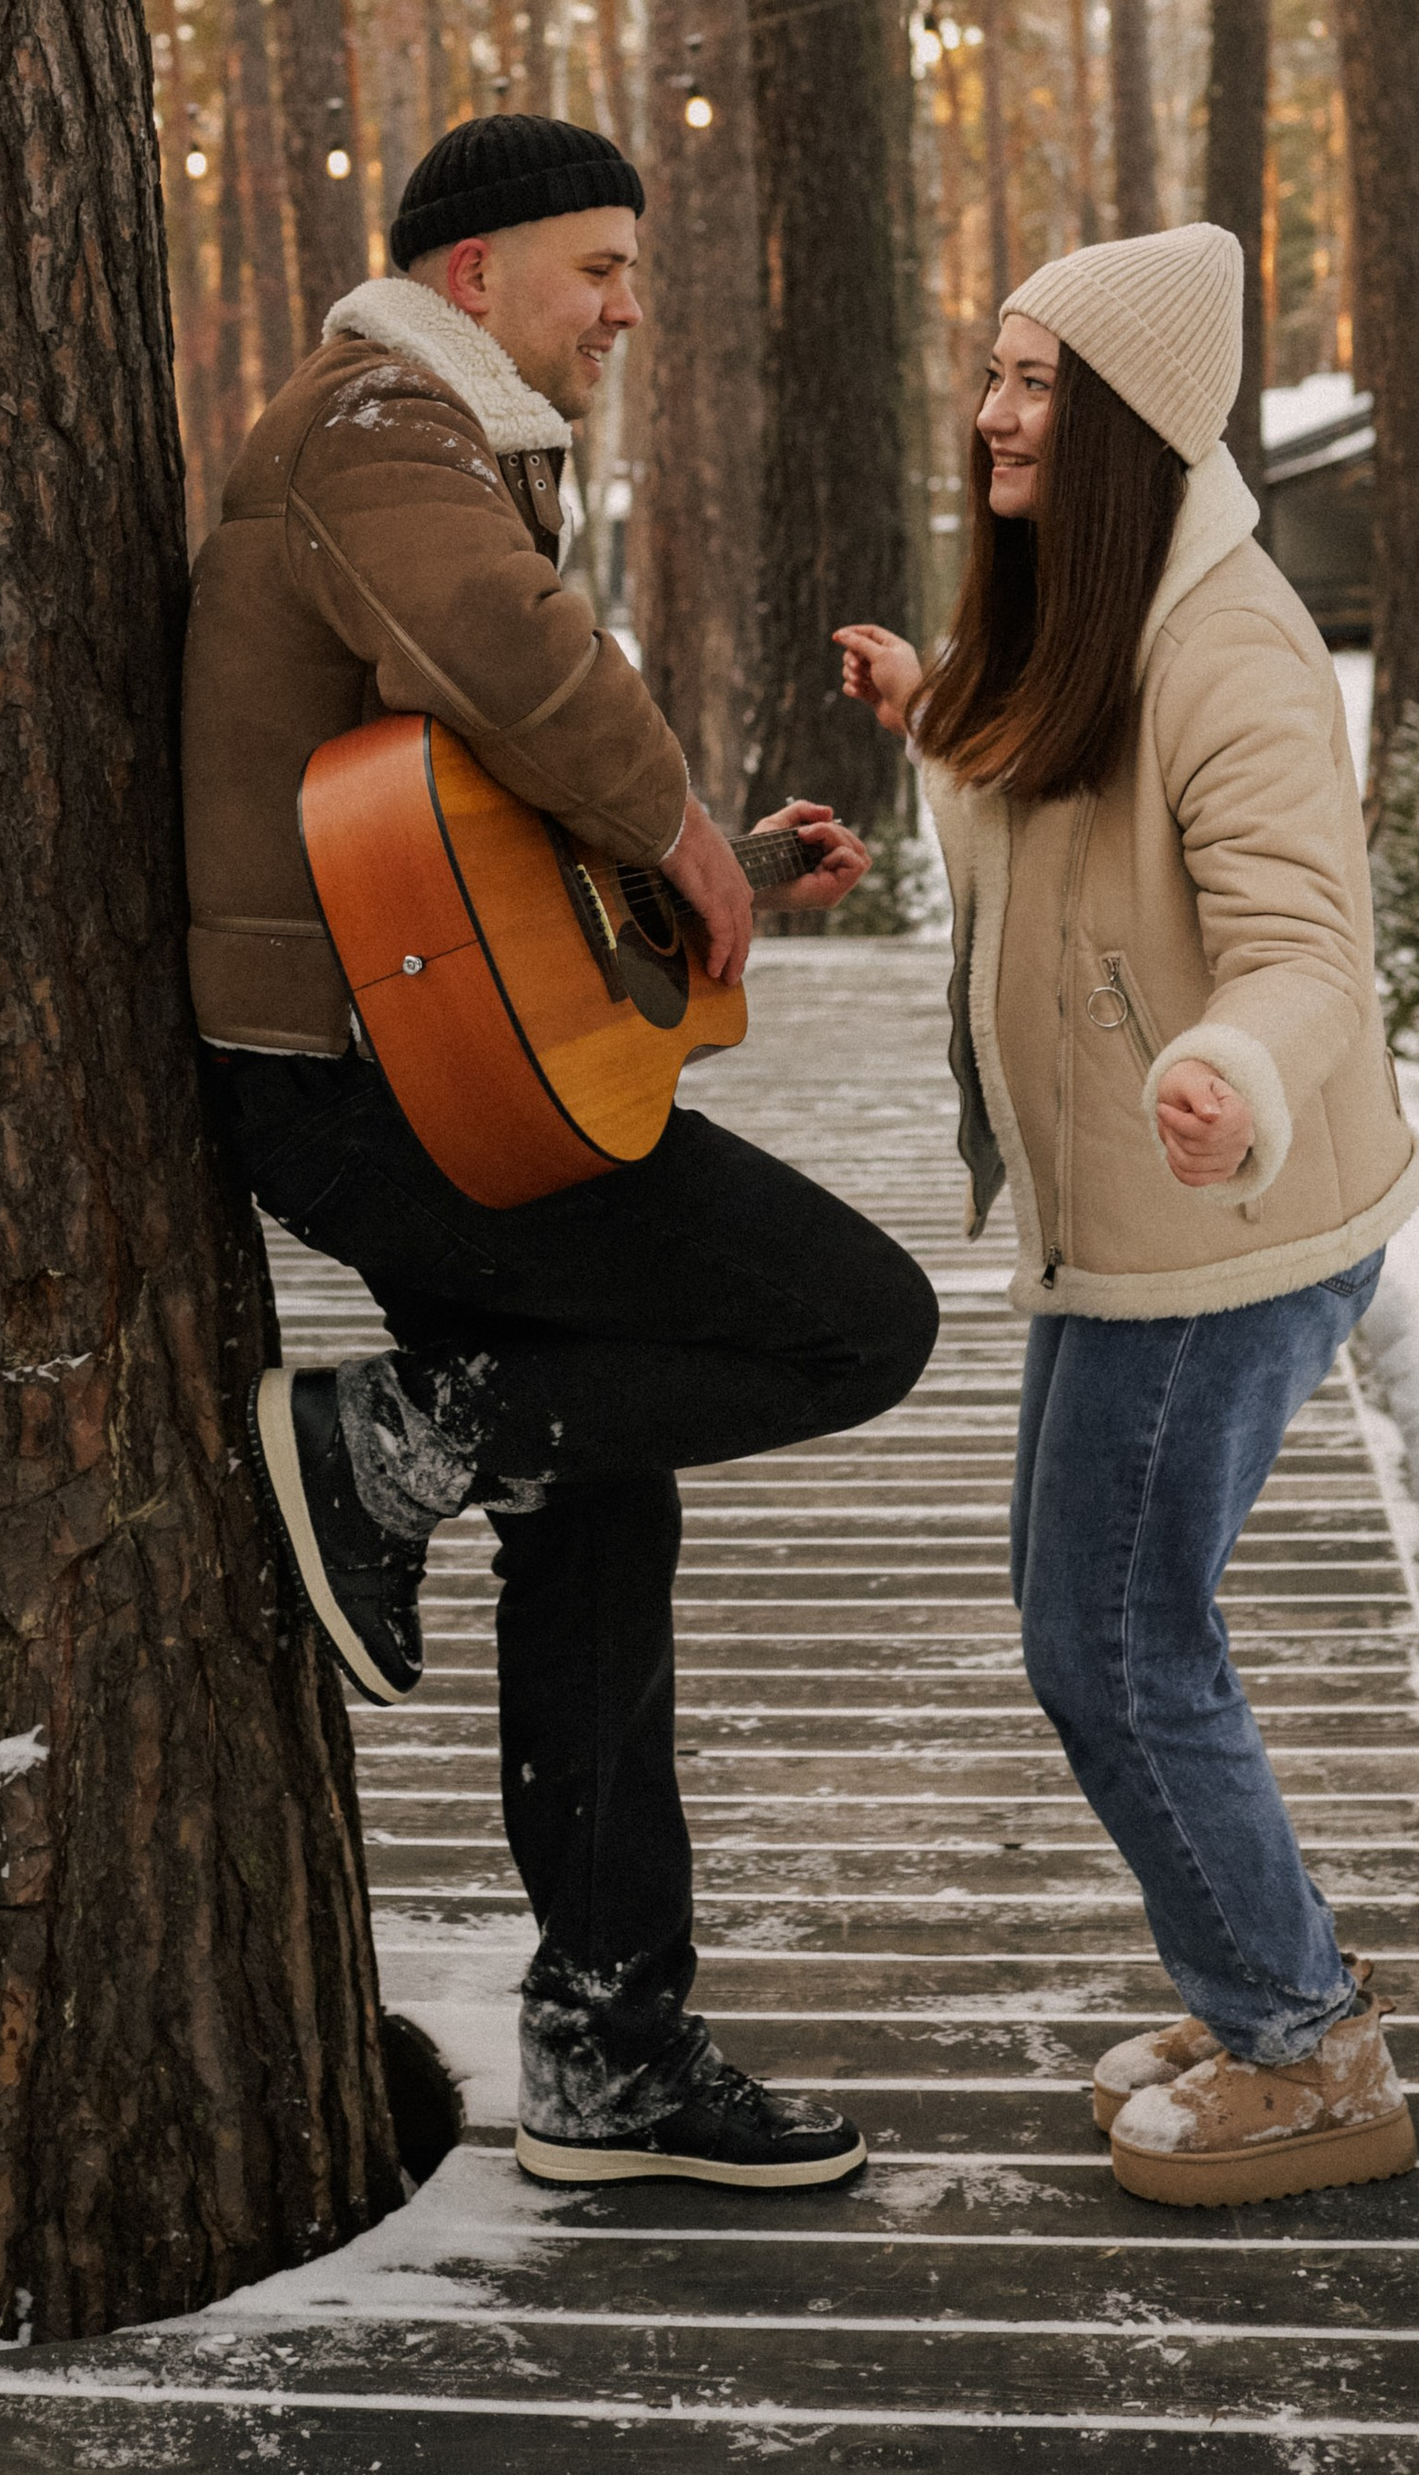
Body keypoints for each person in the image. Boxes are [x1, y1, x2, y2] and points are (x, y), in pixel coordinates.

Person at [185, 110, 939, 2191]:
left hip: (422, 1057)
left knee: (599, 1499)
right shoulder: (376, 426)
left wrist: (703, 881)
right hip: (370, 1095)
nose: (621, 306)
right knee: (852, 1325)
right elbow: (512, 665)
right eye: (590, 265)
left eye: (625, 269)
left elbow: (437, 810)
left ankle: (612, 2046)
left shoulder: (441, 440)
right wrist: (674, 820)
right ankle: (386, 1449)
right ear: (466, 277)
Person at [837, 222, 1419, 2212]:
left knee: (1111, 1641)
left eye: (1035, 388)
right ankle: (1248, 1983)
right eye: (994, 373)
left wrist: (1227, 1074)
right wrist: (926, 720)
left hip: (1215, 1237)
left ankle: (1300, 2048)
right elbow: (1045, 818)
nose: (994, 415)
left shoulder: (1225, 639)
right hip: (1132, 1225)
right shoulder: (1103, 606)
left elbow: (1303, 955)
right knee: (1089, 1623)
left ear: (1129, 426)